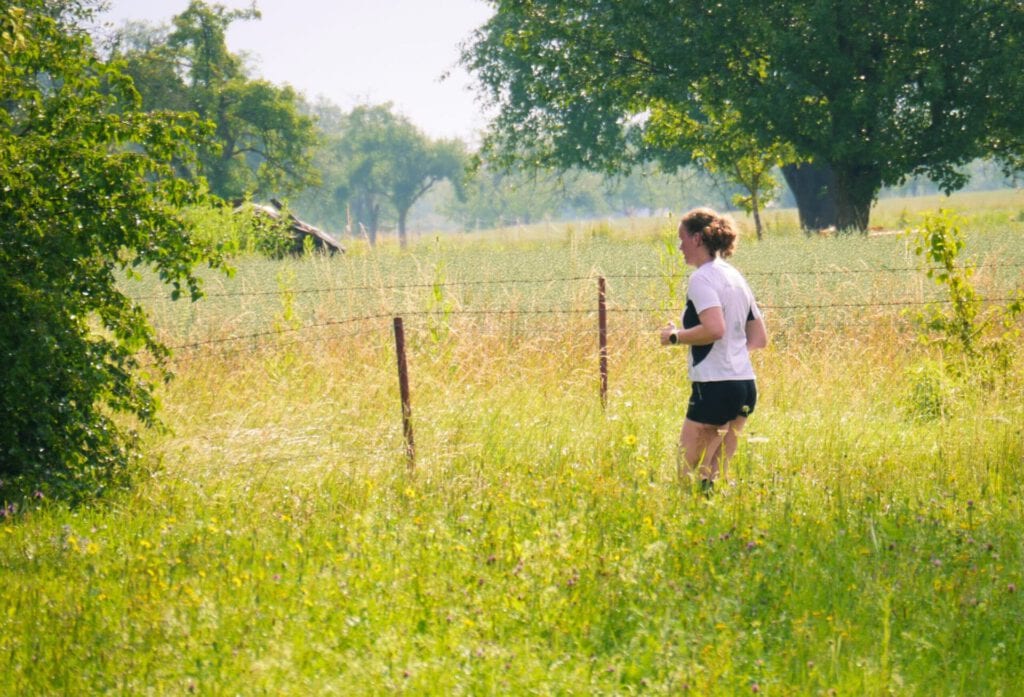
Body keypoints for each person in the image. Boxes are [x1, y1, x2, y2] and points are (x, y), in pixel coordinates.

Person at [660, 207, 768, 493]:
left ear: (697, 239)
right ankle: (708, 518)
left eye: (682, 239)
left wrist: (674, 337)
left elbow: (714, 329)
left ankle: (680, 519)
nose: (680, 247)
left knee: (685, 468)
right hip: (744, 384)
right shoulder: (734, 276)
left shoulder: (702, 278)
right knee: (713, 473)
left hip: (714, 385)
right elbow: (759, 337)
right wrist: (733, 357)